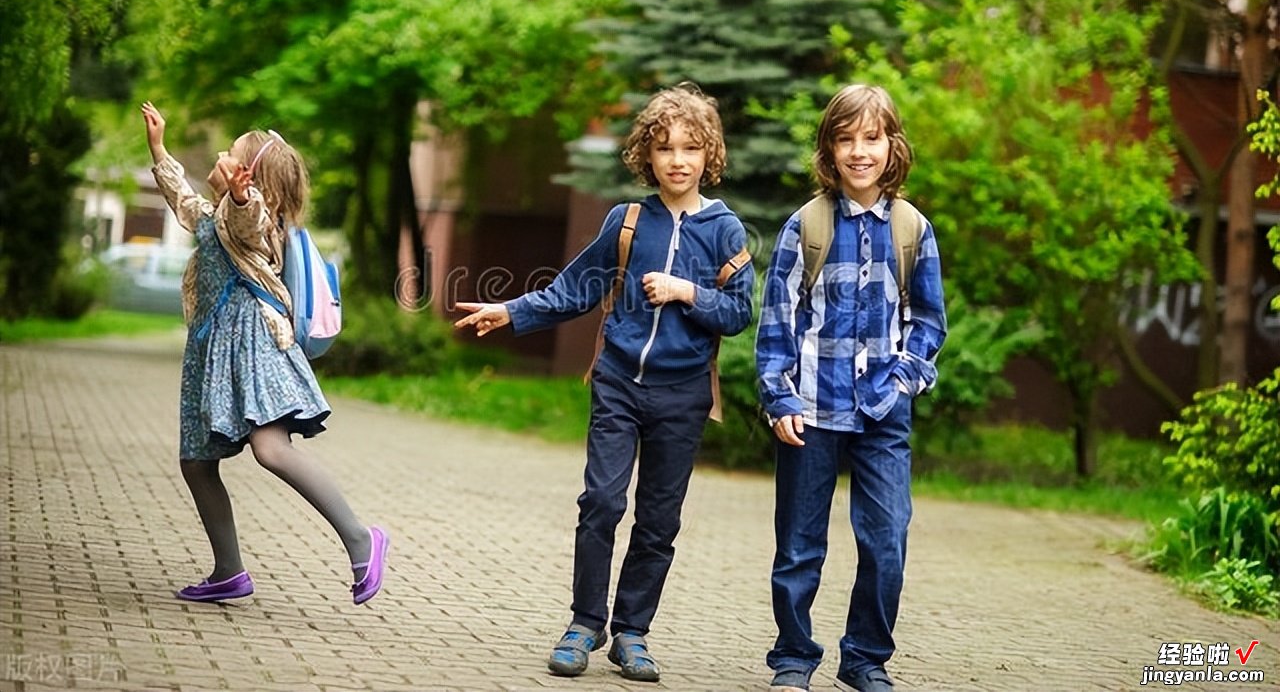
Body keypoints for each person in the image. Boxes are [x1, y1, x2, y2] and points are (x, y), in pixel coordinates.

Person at [455, 84, 754, 683]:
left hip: (683, 394)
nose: (677, 159)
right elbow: (574, 288)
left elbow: (739, 311)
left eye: (691, 148)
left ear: (708, 156)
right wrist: (512, 310)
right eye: (665, 147)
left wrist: (686, 292)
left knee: (658, 520)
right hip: (619, 383)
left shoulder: (725, 231)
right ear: (648, 154)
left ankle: (633, 634)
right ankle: (584, 623)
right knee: (602, 502)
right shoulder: (628, 221)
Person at [142, 101, 389, 606]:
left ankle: (361, 538)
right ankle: (229, 571)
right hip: (211, 352)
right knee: (196, 461)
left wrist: (241, 195)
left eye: (231, 155)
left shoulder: (256, 222)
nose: (219, 154)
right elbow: (185, 201)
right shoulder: (214, 218)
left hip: (254, 345)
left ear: (252, 179)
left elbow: (249, 219)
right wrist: (159, 148)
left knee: (271, 448)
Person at [755, 85, 946, 692]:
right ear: (829, 150)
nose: (859, 152)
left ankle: (865, 659)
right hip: (811, 407)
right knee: (799, 547)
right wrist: (778, 397)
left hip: (883, 412)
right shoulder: (805, 226)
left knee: (887, 540)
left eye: (872, 138)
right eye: (846, 139)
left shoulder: (913, 229)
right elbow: (777, 320)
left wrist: (904, 380)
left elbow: (928, 321)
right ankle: (793, 657)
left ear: (893, 147)